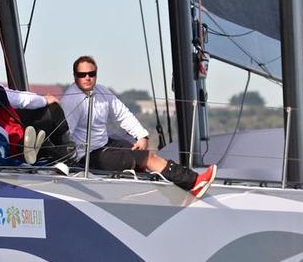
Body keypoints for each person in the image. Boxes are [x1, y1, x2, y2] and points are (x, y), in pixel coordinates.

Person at [59, 55, 217, 197]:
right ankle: (194, 182)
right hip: (86, 155)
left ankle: (181, 182)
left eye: (91, 74)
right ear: (75, 76)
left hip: (103, 144)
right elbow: (65, 134)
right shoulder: (72, 99)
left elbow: (122, 113)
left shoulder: (101, 91)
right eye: (82, 75)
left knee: (139, 150)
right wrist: (66, 163)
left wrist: (142, 135)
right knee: (145, 157)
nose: (87, 78)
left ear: (96, 75)